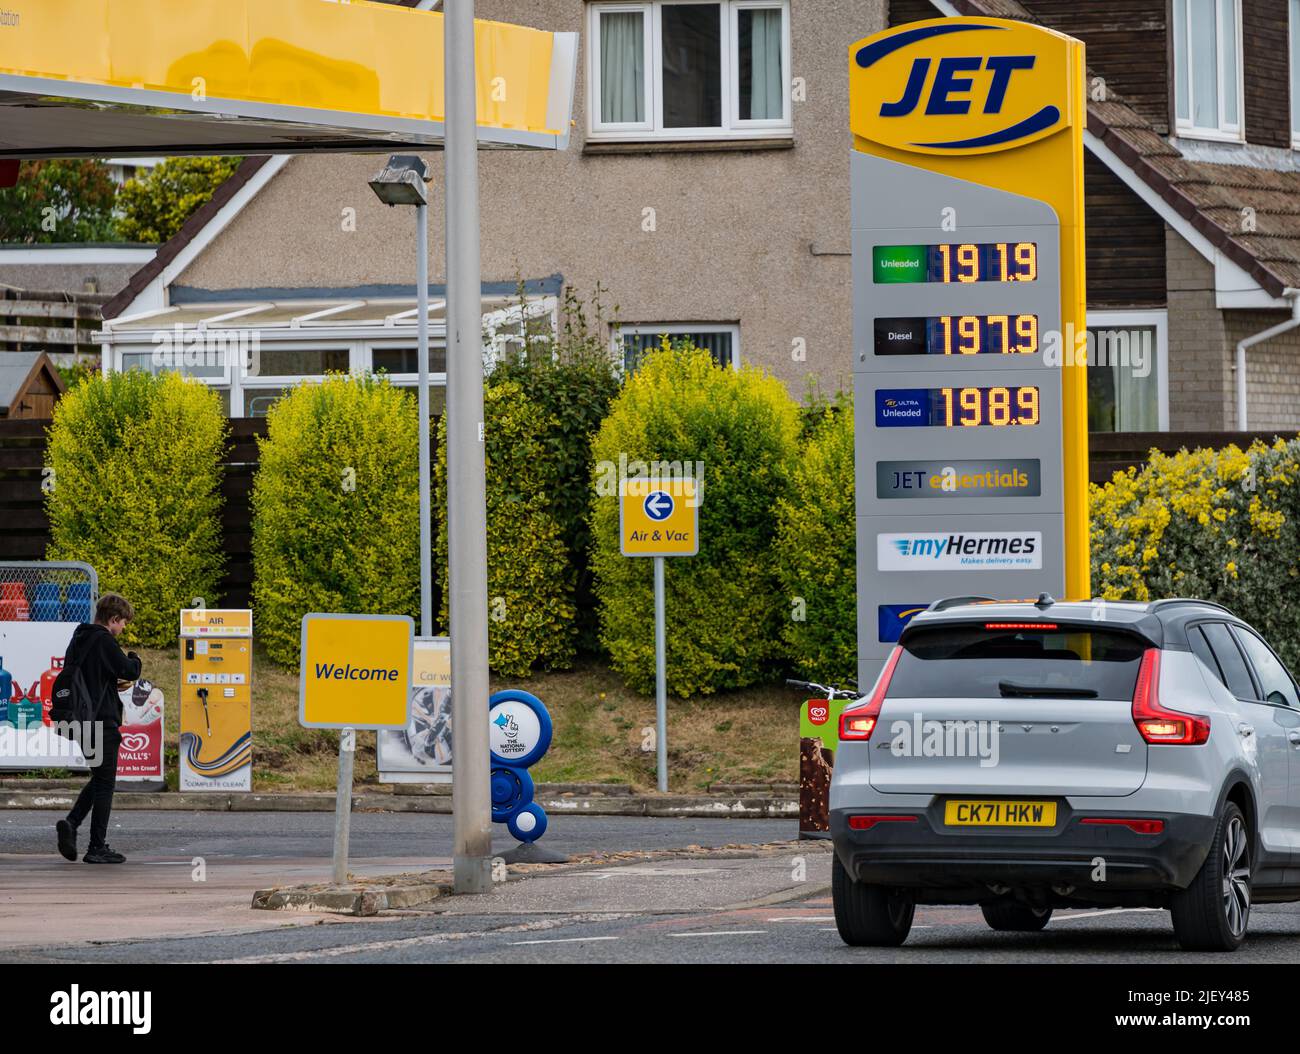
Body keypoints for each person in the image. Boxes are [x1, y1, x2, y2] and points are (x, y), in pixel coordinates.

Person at [55, 593, 142, 864]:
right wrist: (134, 657)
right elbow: (129, 670)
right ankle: (96, 847)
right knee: (106, 783)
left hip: (80, 719)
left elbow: (90, 676)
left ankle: (71, 824)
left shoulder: (79, 638)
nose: (123, 628)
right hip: (101, 721)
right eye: (123, 623)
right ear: (113, 619)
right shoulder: (104, 639)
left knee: (99, 777)